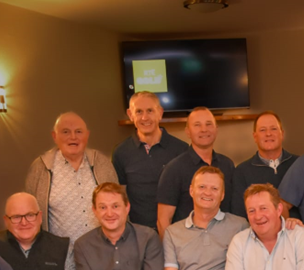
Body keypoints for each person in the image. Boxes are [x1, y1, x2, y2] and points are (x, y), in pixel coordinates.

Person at [25, 112, 119, 242]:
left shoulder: (102, 163)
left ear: (87, 135)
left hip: (102, 249)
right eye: (65, 132)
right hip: (61, 252)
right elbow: (30, 214)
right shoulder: (40, 168)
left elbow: (119, 205)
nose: (73, 137)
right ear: (54, 136)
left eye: (79, 132)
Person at [112, 91, 189, 228]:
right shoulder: (121, 152)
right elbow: (121, 198)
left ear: (160, 113)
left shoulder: (181, 149)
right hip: (139, 232)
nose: (144, 117)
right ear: (130, 115)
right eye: (139, 112)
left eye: (150, 111)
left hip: (177, 230)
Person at [156, 107, 235, 235]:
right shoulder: (174, 169)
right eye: (197, 125)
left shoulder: (227, 165)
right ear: (188, 131)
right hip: (186, 243)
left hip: (224, 241)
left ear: (216, 129)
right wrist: (171, 246)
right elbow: (163, 220)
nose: (204, 129)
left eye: (208, 124)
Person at [231, 111, 298, 217]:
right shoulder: (242, 171)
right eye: (262, 130)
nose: (268, 134)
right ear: (255, 137)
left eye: (273, 129)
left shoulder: (299, 165)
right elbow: (239, 215)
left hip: (296, 227)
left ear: (282, 134)